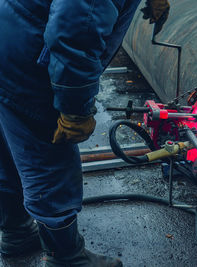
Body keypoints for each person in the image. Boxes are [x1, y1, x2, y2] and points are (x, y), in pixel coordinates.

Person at [0, 0, 169, 266]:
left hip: (9, 37)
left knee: (9, 150)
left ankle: (16, 232)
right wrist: (75, 109)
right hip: (27, 60)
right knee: (49, 163)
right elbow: (76, 33)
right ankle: (65, 257)